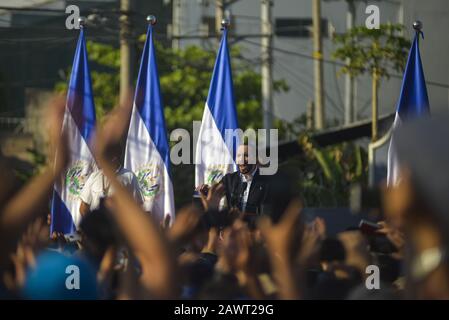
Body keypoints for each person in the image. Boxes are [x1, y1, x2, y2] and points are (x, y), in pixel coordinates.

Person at [79, 144, 143, 217]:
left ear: (114, 158)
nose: (98, 159)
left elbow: (138, 207)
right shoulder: (94, 176)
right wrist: (92, 226)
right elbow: (83, 207)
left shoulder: (130, 177)